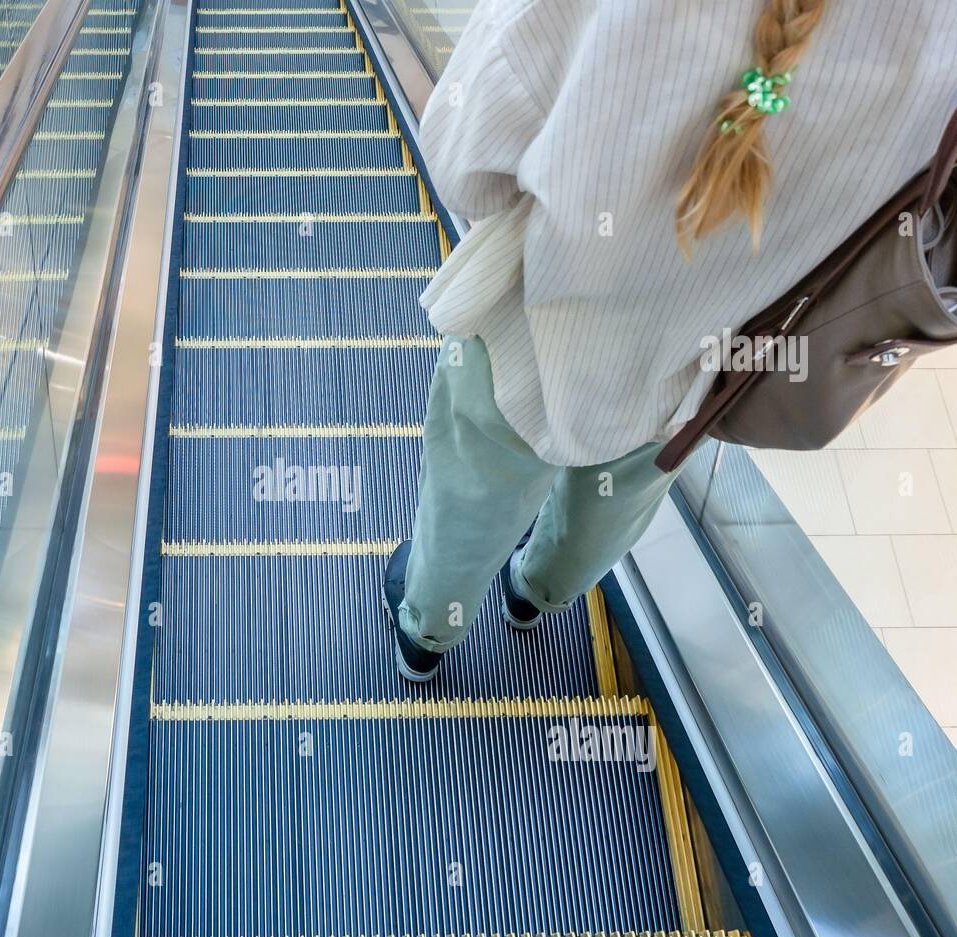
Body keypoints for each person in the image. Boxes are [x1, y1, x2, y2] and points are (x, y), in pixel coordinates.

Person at [384, 0, 957, 681]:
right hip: (696, 370)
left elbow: (464, 158)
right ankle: (535, 595)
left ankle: (427, 632)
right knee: (613, 503)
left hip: (532, 323)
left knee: (475, 486)